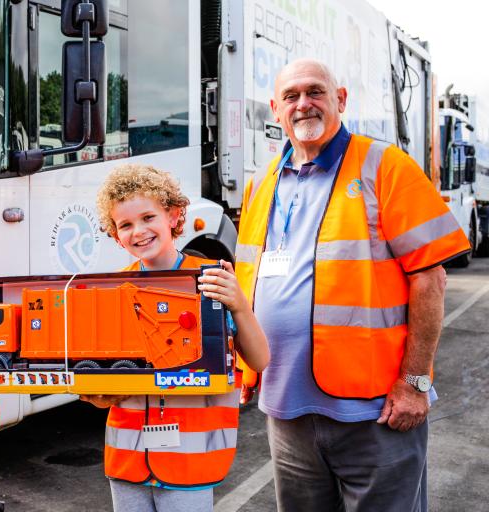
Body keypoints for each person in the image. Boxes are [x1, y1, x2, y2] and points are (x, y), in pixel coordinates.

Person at [234, 59, 471, 511]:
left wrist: (414, 382)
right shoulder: (261, 184)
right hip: (287, 410)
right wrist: (248, 367)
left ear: (340, 99)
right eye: (291, 96)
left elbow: (430, 277)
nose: (304, 104)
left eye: (315, 92)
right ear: (275, 109)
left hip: (376, 412)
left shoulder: (384, 165)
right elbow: (249, 279)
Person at [82, 163, 270, 512]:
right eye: (125, 224)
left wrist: (240, 305)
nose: (138, 231)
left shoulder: (211, 279)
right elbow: (103, 387)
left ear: (173, 215)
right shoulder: (111, 290)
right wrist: (97, 391)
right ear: (114, 234)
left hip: (190, 462)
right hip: (127, 461)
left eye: (148, 217)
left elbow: (258, 360)